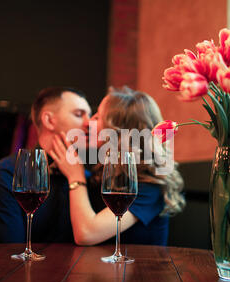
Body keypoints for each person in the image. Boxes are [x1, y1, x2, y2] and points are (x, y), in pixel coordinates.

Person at [49, 86, 185, 246]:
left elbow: (86, 234)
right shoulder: (106, 172)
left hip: (142, 269)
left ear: (119, 131)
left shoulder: (150, 186)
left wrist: (75, 176)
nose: (89, 121)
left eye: (98, 117)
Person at [0, 87, 92, 243]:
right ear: (49, 120)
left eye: (90, 115)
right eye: (79, 114)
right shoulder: (6, 174)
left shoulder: (86, 179)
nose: (89, 123)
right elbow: (8, 252)